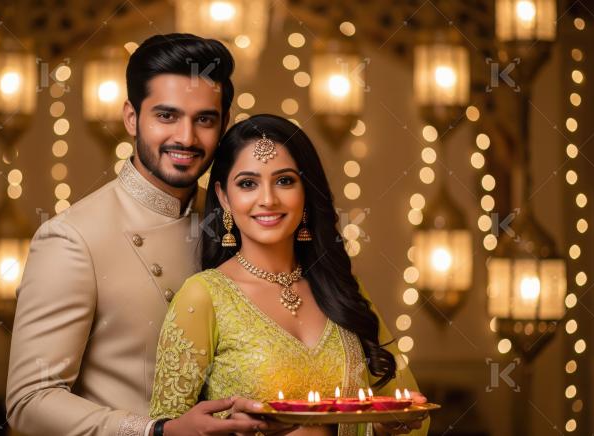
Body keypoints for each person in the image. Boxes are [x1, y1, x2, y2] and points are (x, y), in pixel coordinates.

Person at [6, 33, 269, 436]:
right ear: (131, 117)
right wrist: (155, 432)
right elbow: (29, 400)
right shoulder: (72, 238)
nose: (185, 137)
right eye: (166, 116)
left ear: (225, 124)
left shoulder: (236, 220)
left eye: (204, 119)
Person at [149, 114, 431, 435]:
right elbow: (170, 428)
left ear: (306, 191)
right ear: (224, 196)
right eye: (247, 183)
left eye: (284, 180)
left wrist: (386, 426)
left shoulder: (341, 290)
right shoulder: (203, 296)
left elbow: (403, 408)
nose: (268, 200)